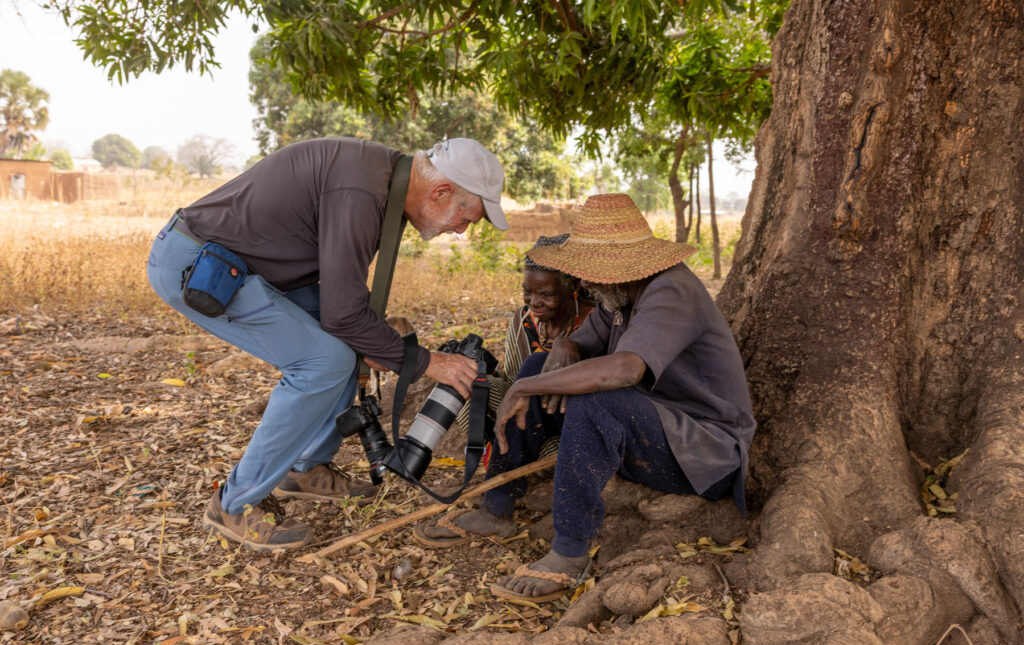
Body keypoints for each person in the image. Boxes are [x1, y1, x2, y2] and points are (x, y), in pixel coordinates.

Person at [146, 137, 509, 552]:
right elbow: (342, 314)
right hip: (199, 264)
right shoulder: (362, 191)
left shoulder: (382, 180)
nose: (461, 230)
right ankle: (234, 503)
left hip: (241, 267)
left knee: (348, 344)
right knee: (323, 361)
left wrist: (382, 345)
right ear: (441, 191)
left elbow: (348, 306)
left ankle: (305, 469)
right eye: (467, 217)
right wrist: (427, 362)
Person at [414, 193, 755, 603]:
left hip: (703, 455)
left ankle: (570, 552)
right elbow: (580, 344)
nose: (585, 285)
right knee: (537, 369)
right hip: (653, 432)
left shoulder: (671, 291)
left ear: (620, 268)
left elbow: (625, 370)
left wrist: (525, 389)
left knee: (591, 399)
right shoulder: (619, 295)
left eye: (591, 275)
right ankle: (497, 507)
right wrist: (567, 347)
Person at [448, 233, 595, 453]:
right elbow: (511, 381)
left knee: (560, 449)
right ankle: (502, 448)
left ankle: (523, 454)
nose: (534, 302)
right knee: (464, 386)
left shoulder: (595, 322)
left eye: (546, 294)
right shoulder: (523, 320)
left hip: (566, 418)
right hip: (522, 408)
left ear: (573, 285)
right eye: (527, 291)